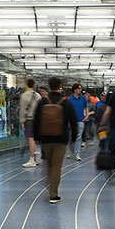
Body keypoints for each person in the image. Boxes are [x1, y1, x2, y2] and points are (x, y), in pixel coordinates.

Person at [32, 76, 78, 204]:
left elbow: (36, 120)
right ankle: (53, 194)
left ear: (49, 86)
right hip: (61, 139)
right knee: (57, 166)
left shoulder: (42, 101)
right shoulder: (66, 102)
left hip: (45, 138)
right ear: (60, 86)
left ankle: (49, 181)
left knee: (49, 164)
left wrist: (36, 137)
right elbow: (73, 121)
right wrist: (74, 138)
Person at [19, 78, 43, 167]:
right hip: (38, 120)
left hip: (29, 120)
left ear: (26, 85)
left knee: (31, 139)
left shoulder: (24, 96)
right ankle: (38, 157)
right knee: (36, 139)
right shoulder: (38, 96)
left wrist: (22, 121)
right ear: (34, 85)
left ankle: (32, 159)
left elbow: (22, 110)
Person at [65, 83, 89, 161]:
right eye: (79, 88)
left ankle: (77, 153)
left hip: (80, 120)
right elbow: (67, 112)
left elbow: (86, 107)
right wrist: (68, 121)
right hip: (72, 121)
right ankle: (71, 151)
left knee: (78, 138)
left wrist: (87, 116)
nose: (80, 90)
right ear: (74, 89)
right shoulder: (70, 100)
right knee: (71, 137)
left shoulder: (83, 99)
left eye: (80, 88)